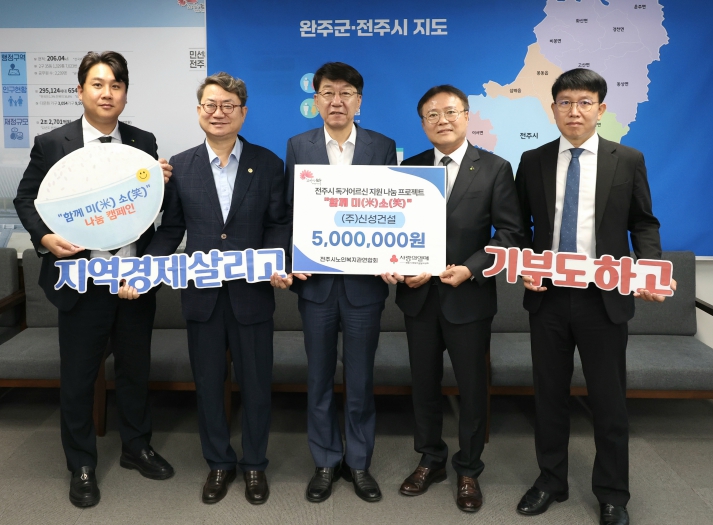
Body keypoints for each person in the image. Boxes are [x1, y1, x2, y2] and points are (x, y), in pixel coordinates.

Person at [120, 72, 291, 505]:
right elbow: (170, 229)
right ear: (199, 111)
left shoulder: (268, 163)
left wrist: (276, 261)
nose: (219, 113)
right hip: (202, 296)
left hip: (252, 294)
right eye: (210, 105)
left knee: (256, 385)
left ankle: (254, 465)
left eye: (228, 106)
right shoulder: (181, 165)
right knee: (209, 385)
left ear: (243, 113)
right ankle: (218, 462)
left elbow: (278, 223)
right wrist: (143, 269)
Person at [13, 51, 174, 508]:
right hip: (81, 282)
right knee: (80, 378)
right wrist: (45, 237)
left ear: (125, 94)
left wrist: (161, 184)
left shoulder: (142, 140)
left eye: (116, 85)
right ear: (80, 90)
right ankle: (81, 463)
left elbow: (147, 209)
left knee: (135, 370)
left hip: (132, 279)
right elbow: (26, 199)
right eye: (98, 84)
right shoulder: (53, 143)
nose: (107, 93)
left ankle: (136, 447)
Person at [514, 68, 674, 525]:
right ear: (553, 109)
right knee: (549, 396)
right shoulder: (533, 159)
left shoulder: (628, 159)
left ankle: (612, 493)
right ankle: (551, 480)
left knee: (608, 400)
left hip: (603, 298)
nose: (574, 111)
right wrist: (525, 264)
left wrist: (648, 268)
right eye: (565, 102)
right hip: (548, 297)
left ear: (601, 109)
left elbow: (643, 222)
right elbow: (518, 226)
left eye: (585, 102)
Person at [381, 85, 523, 512]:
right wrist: (398, 264)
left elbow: (510, 233)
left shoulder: (495, 168)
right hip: (419, 297)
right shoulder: (409, 168)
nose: (441, 120)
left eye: (449, 112)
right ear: (422, 123)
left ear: (466, 116)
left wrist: (471, 268)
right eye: (431, 115)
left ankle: (469, 468)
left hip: (469, 298)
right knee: (423, 384)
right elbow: (393, 229)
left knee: (472, 388)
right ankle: (430, 459)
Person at [280, 62, 396, 504]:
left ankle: (359, 462)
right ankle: (326, 460)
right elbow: (290, 212)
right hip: (317, 287)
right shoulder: (299, 146)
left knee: (361, 379)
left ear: (359, 101)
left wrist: (393, 256)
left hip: (365, 286)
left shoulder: (382, 146)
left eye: (346, 93)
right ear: (316, 100)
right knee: (319, 378)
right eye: (328, 92)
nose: (336, 101)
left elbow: (392, 210)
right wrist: (291, 257)